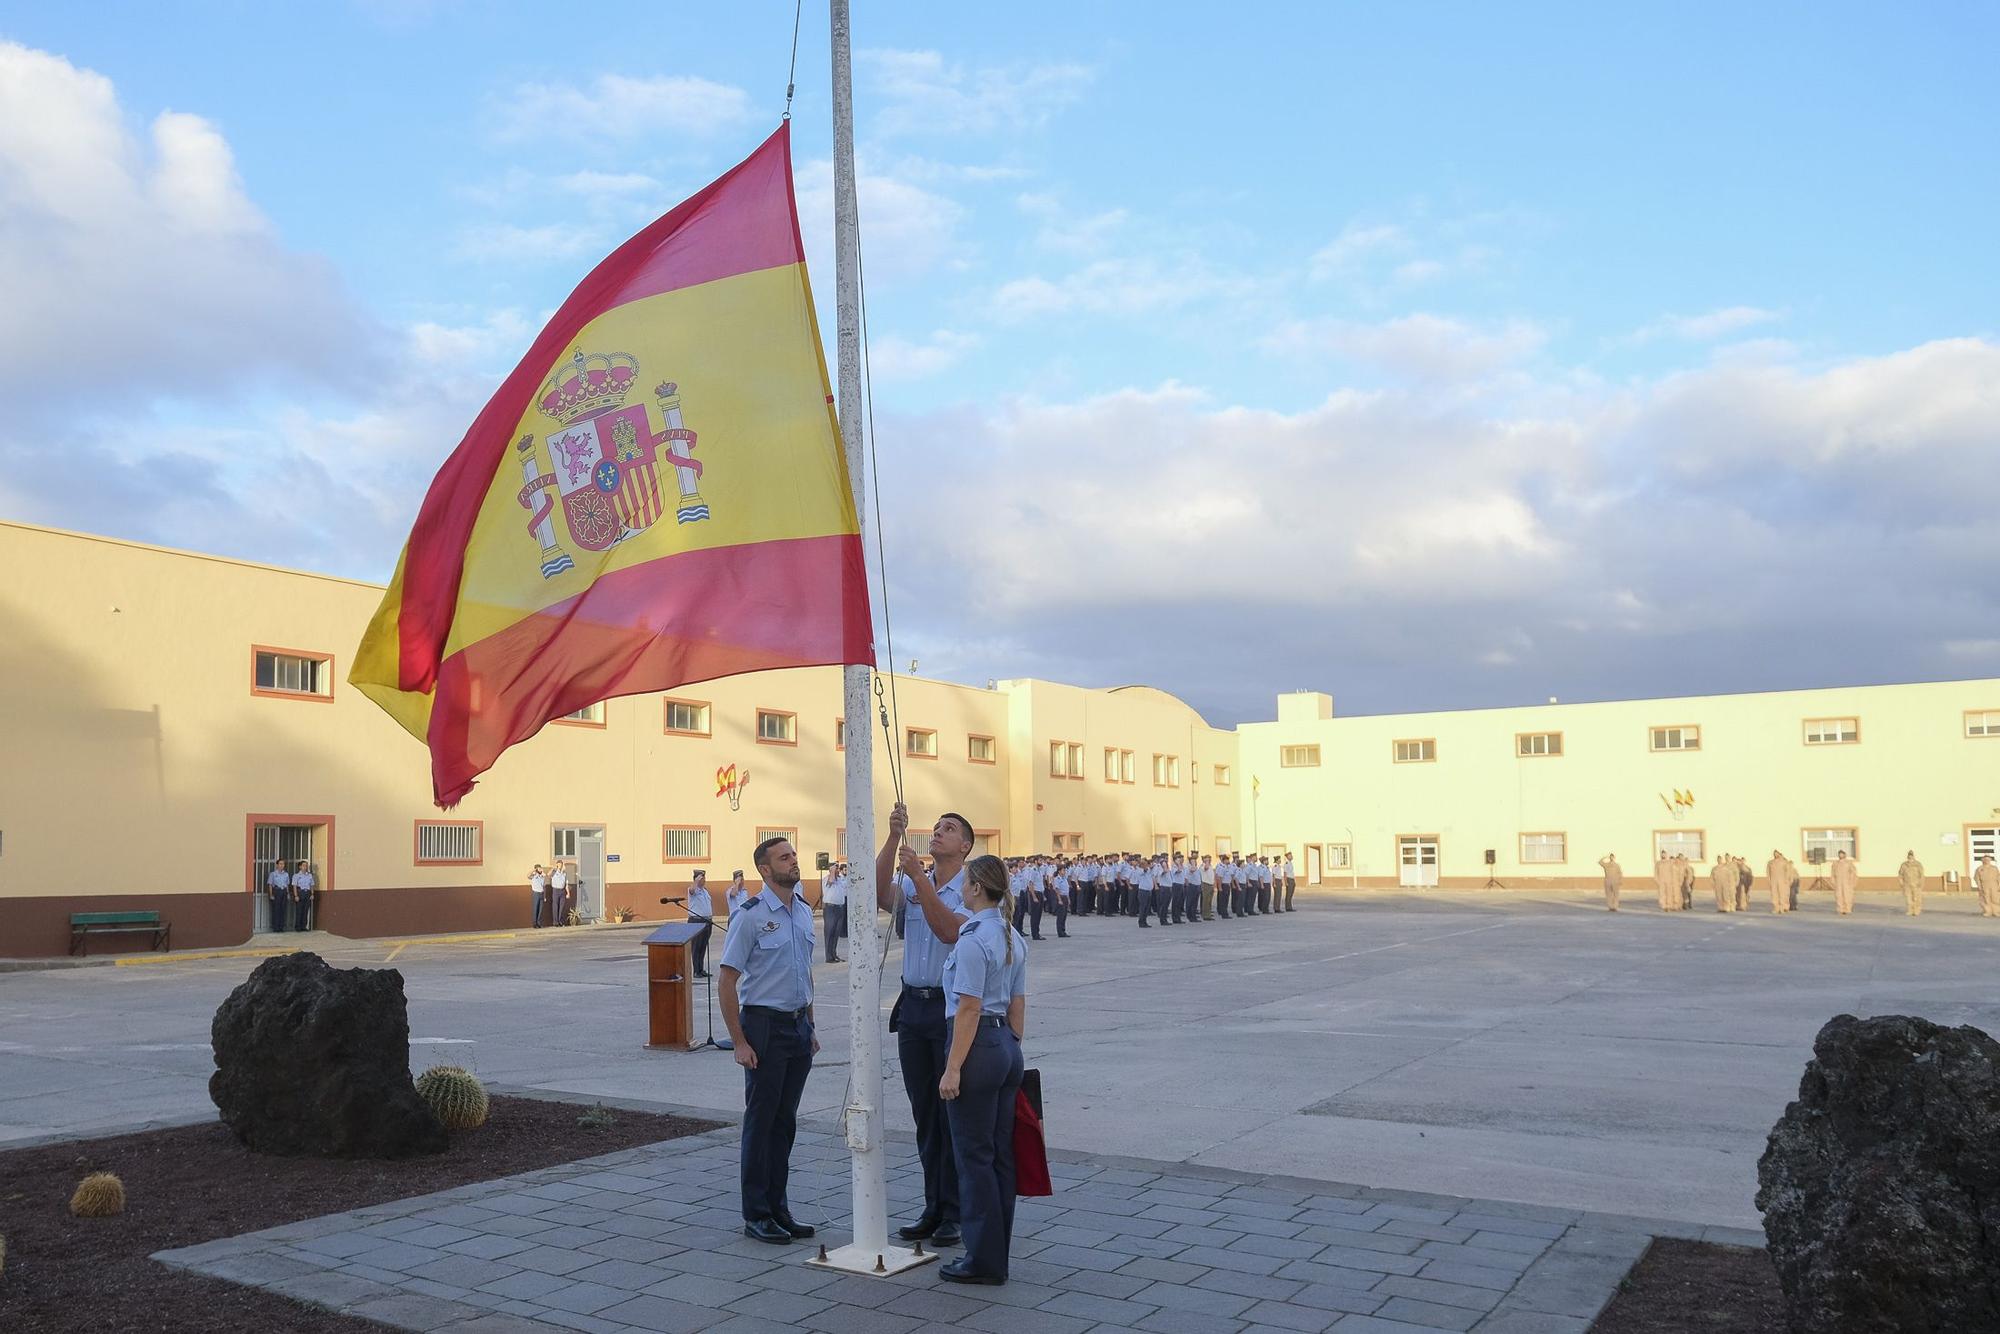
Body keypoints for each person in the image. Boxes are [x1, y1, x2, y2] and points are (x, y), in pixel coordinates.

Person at [876, 804, 974, 1247]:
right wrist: (894, 837)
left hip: (948, 1011)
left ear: (965, 846)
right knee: (923, 1115)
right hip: (913, 1008)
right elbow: (878, 894)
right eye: (935, 827)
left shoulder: (971, 890)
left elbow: (948, 932)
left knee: (950, 1112)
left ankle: (956, 1210)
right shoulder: (915, 881)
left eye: (948, 829)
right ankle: (933, 1205)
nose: (937, 832)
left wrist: (918, 878)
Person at [718, 835, 818, 1245]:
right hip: (763, 1027)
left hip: (797, 1028)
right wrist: (739, 1041)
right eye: (784, 857)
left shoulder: (804, 912)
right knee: (761, 1124)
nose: (794, 862)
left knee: (785, 1123)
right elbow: (727, 981)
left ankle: (779, 1208)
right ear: (764, 869)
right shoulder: (750, 915)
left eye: (794, 855)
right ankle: (756, 1213)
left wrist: (811, 1025)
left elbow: (804, 972)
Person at [937, 853, 1028, 1285]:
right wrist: (1010, 1044)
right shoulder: (1010, 934)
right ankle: (996, 1252)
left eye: (965, 883)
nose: (960, 888)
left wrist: (953, 1068)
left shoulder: (973, 939)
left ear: (975, 888)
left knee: (973, 1158)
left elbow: (968, 1008)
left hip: (976, 1046)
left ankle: (982, 1260)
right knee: (999, 1158)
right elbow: (1018, 1002)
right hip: (1005, 1045)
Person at [686, 870, 714, 977]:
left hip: (707, 921)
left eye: (704, 878)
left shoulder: (705, 891)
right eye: (701, 878)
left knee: (703, 946)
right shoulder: (692, 890)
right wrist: (696, 882)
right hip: (696, 921)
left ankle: (701, 969)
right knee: (696, 947)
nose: (704, 880)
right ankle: (696, 971)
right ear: (696, 879)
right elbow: (692, 890)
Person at [821, 861, 848, 964]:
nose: (837, 870)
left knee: (836, 933)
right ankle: (828, 957)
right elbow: (831, 881)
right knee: (829, 932)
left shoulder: (840, 880)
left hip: (839, 908)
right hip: (830, 909)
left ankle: (834, 954)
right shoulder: (826, 879)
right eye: (835, 868)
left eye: (837, 868)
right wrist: (832, 870)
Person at [265, 859, 291, 932]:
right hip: (276, 891)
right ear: (277, 865)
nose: (282, 865)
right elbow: (270, 885)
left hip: (284, 892)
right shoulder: (273, 874)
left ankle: (281, 927)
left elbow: (287, 885)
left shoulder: (286, 874)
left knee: (283, 910)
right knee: (276, 910)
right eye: (280, 864)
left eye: (283, 864)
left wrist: (288, 893)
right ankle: (276, 927)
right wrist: (271, 894)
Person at [1766, 850, 1794, 915]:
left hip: (1782, 880)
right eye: (1774, 854)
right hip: (1773, 881)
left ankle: (1782, 908)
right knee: (1774, 894)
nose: (1775, 855)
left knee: (1782, 894)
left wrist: (1787, 880)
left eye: (1777, 853)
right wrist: (1769, 880)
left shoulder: (1784, 862)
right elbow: (1768, 872)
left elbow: (1788, 871)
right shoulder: (1770, 863)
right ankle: (1776, 908)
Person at [1831, 850, 1859, 915]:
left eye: (1842, 854)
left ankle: (1848, 909)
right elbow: (1832, 873)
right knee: (1839, 896)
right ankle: (1840, 909)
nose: (1840, 855)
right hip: (1838, 882)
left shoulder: (1849, 863)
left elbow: (1853, 872)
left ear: (1844, 855)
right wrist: (1833, 882)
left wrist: (1852, 882)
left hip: (1847, 883)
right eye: (1839, 854)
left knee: (1847, 896)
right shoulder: (1835, 863)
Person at [1898, 850, 1925, 917]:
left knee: (1916, 898)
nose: (1910, 858)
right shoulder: (1904, 865)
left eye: (1911, 856)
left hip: (1916, 884)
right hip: (1907, 884)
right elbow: (1900, 874)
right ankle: (1910, 910)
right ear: (1908, 857)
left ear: (1913, 856)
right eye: (1909, 856)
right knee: (1908, 899)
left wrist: (1921, 883)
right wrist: (1901, 882)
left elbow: (1921, 875)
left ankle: (1916, 911)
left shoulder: (1918, 864)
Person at [292, 860, 316, 930]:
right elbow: (294, 886)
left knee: (306, 910)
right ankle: (298, 926)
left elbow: (311, 885)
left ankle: (304, 926)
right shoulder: (296, 875)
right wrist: (296, 895)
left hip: (307, 893)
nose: (305, 867)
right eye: (304, 865)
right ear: (300, 867)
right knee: (299, 910)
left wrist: (312, 894)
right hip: (300, 892)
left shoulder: (309, 875)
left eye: (306, 865)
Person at [547, 861, 568, 928]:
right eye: (559, 865)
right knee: (555, 906)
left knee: (562, 907)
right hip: (555, 890)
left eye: (561, 865)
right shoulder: (554, 872)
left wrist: (568, 893)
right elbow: (548, 874)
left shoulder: (564, 873)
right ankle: (555, 922)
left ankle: (560, 921)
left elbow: (566, 884)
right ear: (557, 865)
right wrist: (553, 868)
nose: (560, 866)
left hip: (562, 891)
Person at [529, 864, 548, 928]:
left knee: (540, 909)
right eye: (539, 868)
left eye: (540, 868)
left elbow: (544, 886)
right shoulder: (534, 876)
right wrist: (534, 870)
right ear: (536, 869)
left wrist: (545, 896)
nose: (540, 869)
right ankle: (535, 924)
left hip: (541, 893)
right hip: (536, 894)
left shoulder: (542, 876)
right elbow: (528, 876)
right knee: (535, 909)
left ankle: (539, 923)